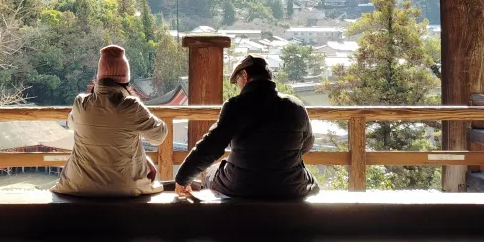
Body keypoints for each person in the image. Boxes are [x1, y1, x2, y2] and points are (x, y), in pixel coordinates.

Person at [175, 55, 318, 200]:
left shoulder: (236, 105)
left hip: (241, 185)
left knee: (211, 172)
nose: (238, 85)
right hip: (290, 186)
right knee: (313, 184)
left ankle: (218, 220)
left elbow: (211, 146)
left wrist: (183, 178)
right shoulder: (296, 105)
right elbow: (307, 144)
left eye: (237, 80)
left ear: (244, 75)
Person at [52, 45, 168, 197]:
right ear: (126, 79)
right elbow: (158, 136)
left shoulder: (80, 103)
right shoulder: (131, 106)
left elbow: (72, 124)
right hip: (125, 188)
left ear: (98, 77)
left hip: (78, 186)